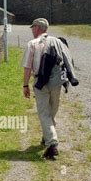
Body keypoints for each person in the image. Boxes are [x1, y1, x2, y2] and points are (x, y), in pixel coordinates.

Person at [21, 18, 77, 160]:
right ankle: (47, 135)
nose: (32, 30)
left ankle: (52, 144)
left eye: (33, 27)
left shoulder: (32, 44)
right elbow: (68, 59)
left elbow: (28, 67)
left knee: (44, 113)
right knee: (52, 110)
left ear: (38, 28)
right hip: (57, 82)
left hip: (41, 82)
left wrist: (25, 85)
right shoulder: (58, 41)